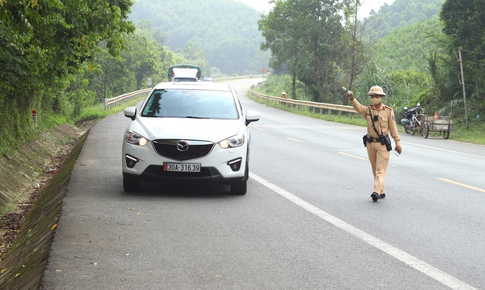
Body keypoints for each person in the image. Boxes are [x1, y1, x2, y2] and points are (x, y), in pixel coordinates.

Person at [347, 86, 403, 202]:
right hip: (370, 143)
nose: (374, 98)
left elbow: (393, 128)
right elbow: (358, 108)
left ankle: (376, 191)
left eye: (376, 96)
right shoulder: (368, 110)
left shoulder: (388, 111)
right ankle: (381, 190)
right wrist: (352, 99)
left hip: (382, 144)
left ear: (381, 97)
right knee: (374, 169)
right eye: (372, 96)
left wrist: (398, 143)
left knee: (380, 170)